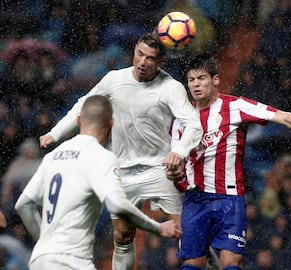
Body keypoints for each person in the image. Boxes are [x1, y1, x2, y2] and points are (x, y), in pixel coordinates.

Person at [38, 32, 202, 270]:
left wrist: (180, 150)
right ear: (134, 51)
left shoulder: (171, 88)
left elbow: (193, 124)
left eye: (150, 58)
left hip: (160, 170)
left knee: (187, 234)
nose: (142, 62)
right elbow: (84, 105)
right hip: (123, 172)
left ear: (161, 62)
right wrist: (55, 132)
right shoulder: (114, 80)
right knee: (123, 237)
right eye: (139, 54)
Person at [167, 54, 291, 270]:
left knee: (231, 262)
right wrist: (173, 173)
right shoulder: (180, 120)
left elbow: (283, 116)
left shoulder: (236, 106)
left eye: (201, 78)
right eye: (191, 80)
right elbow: (176, 164)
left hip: (229, 198)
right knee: (192, 264)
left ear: (215, 79)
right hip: (195, 199)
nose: (196, 84)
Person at [15, 95, 182, 270]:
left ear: (79, 121)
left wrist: (45, 243)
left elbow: (23, 204)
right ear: (111, 123)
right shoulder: (101, 157)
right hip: (71, 261)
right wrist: (158, 228)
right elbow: (118, 206)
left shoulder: (53, 156)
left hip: (40, 260)